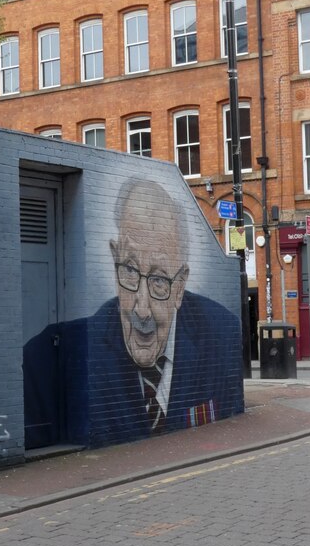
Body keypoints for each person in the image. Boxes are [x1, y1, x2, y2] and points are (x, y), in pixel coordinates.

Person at [23, 178, 242, 447]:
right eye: (129, 270)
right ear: (115, 259)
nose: (141, 309)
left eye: (159, 280)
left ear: (181, 285)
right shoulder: (46, 360)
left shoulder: (222, 336)